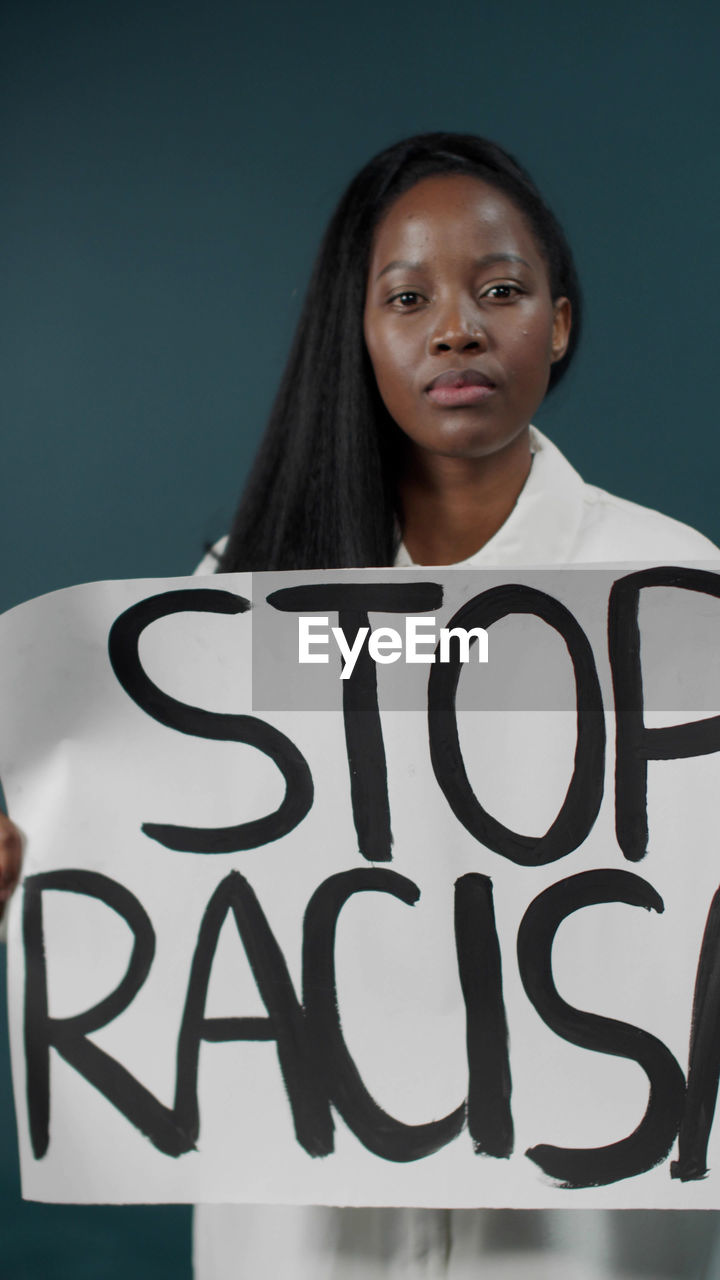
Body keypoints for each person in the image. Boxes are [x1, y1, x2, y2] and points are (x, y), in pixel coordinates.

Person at [2, 132, 719, 1277]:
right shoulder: (247, 594)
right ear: (361, 332)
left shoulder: (669, 592)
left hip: (587, 1226)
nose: (457, 327)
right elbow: (163, 871)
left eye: (500, 289)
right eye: (407, 296)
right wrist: (35, 861)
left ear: (561, 322)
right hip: (309, 1230)